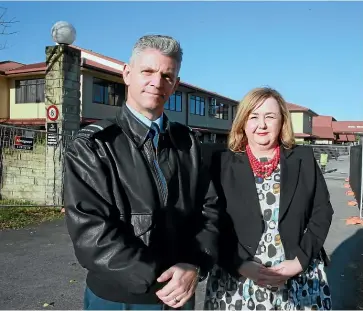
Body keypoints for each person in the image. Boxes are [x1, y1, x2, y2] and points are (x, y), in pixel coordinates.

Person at [64, 34, 220, 310]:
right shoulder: (93, 145)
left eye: (167, 76)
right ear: (127, 73)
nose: (157, 82)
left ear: (176, 84)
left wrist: (195, 263)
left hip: (179, 295)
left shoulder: (189, 144)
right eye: (147, 71)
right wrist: (160, 279)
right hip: (119, 298)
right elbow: (91, 231)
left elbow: (210, 211)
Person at [204, 87, 334, 310]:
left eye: (270, 116)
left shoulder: (303, 159)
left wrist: (299, 261)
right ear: (243, 122)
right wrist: (239, 264)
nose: (261, 124)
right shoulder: (221, 163)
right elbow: (211, 221)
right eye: (253, 116)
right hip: (238, 281)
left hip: (297, 279)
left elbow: (322, 212)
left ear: (282, 121)